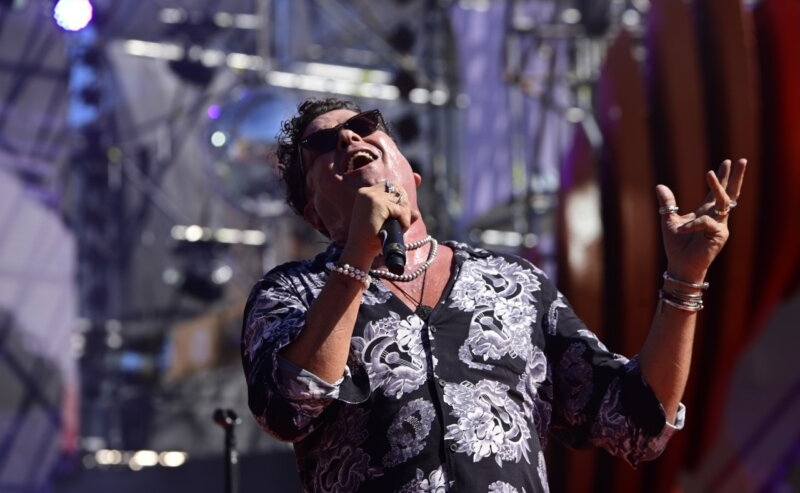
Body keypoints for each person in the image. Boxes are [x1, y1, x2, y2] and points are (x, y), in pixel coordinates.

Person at [241, 97, 747, 492]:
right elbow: (288, 407)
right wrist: (358, 254)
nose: (348, 136)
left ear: (411, 174)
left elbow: (636, 421)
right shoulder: (292, 293)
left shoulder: (514, 282)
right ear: (312, 212)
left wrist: (685, 279)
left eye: (365, 124)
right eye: (322, 143)